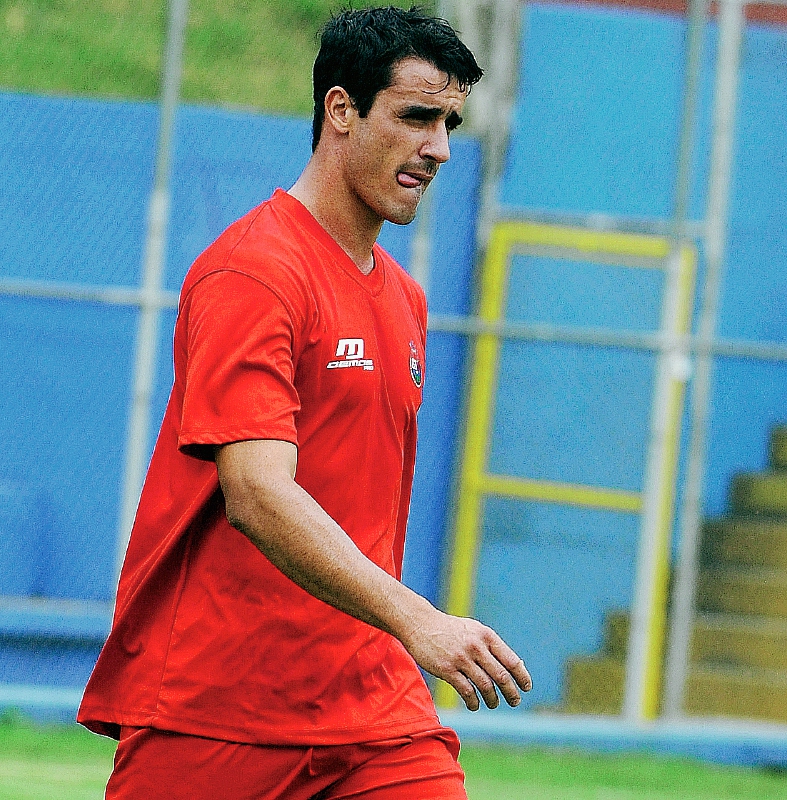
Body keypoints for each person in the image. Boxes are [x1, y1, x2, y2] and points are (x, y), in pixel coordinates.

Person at [79, 7, 532, 798]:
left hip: (372, 709)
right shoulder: (253, 274)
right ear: (340, 110)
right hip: (219, 709)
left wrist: (394, 634)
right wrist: (418, 621)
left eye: (450, 123)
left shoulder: (403, 300)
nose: (438, 148)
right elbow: (256, 492)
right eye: (417, 116)